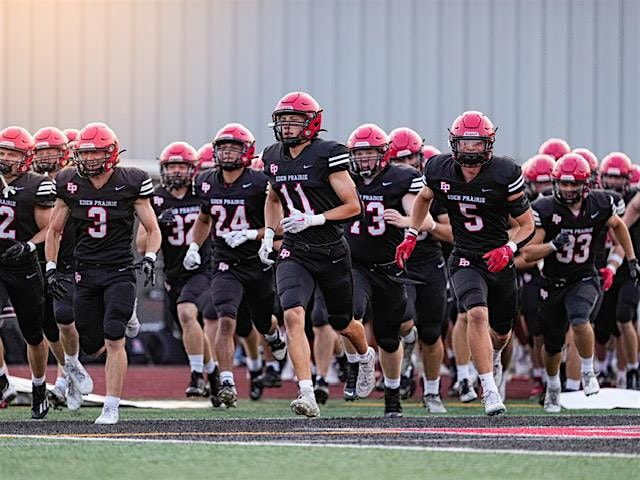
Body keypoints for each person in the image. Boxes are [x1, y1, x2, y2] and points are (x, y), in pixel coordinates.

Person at [395, 111, 535, 415]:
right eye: (465, 143)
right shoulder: (438, 168)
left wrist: (509, 248)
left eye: (476, 143)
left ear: (489, 144)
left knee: (501, 333)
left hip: (498, 259)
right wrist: (410, 234)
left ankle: (494, 359)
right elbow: (423, 198)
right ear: (454, 143)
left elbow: (526, 225)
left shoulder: (505, 173)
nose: (470, 150)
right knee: (475, 315)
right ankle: (488, 389)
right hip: (464, 257)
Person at [259, 92, 375, 417]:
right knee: (293, 314)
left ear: (312, 123)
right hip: (295, 250)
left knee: (344, 323)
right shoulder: (272, 156)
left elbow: (354, 206)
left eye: (295, 120)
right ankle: (306, 392)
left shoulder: (329, 154)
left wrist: (315, 218)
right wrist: (269, 235)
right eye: (283, 121)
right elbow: (272, 197)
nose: (288, 127)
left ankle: (364, 357)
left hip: (330, 250)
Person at [45, 122, 161, 424]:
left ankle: (111, 406)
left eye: (95, 153)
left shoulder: (132, 181)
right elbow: (54, 231)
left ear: (111, 154)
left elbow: (152, 228)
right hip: (85, 271)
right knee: (92, 343)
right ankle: (125, 315)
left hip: (119, 270)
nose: (89, 160)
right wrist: (52, 267)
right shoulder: (70, 181)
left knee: (114, 337)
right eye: (84, 154)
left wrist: (149, 256)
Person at [521, 153, 640, 412]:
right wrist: (552, 245)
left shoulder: (599, 203)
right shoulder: (546, 208)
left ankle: (588, 372)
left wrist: (629, 259)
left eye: (574, 183)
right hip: (552, 281)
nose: (568, 189)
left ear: (586, 184)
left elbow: (619, 226)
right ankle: (553, 385)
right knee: (553, 345)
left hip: (585, 276)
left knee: (579, 318)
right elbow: (528, 253)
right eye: (564, 183)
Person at [185, 123, 287, 408]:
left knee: (262, 320)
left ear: (247, 151)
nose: (227, 153)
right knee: (225, 319)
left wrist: (253, 234)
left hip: (255, 260)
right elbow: (205, 218)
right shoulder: (205, 180)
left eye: (233, 148)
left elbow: (276, 223)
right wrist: (194, 246)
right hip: (224, 261)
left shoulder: (259, 182)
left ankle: (273, 336)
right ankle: (227, 380)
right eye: (222, 148)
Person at [138, 141, 215, 397]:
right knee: (188, 324)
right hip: (174, 273)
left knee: (186, 313)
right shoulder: (157, 198)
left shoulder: (202, 193)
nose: (177, 172)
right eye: (172, 166)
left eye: (182, 166)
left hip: (203, 267)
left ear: (192, 169)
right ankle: (213, 371)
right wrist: (157, 224)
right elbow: (141, 244)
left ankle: (196, 377)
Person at [387, 127, 454, 411]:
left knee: (431, 332)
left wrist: (422, 225)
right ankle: (408, 341)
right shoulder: (384, 186)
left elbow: (451, 233)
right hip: (398, 262)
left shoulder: (432, 188)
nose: (406, 166)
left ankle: (431, 391)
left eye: (410, 159)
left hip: (428, 261)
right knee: (402, 321)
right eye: (399, 160)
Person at [32, 126, 94, 411]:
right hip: (46, 259)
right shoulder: (33, 183)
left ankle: (68, 372)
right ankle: (67, 373)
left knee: (77, 323)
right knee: (49, 324)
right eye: (41, 151)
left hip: (81, 258)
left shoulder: (78, 180)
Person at [0, 126, 57, 419]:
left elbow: (49, 228)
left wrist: (28, 247)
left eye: (12, 153)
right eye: (2, 152)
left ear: (25, 157)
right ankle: (1, 378)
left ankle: (38, 387)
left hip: (22, 264)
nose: (6, 158)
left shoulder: (38, 185)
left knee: (33, 334)